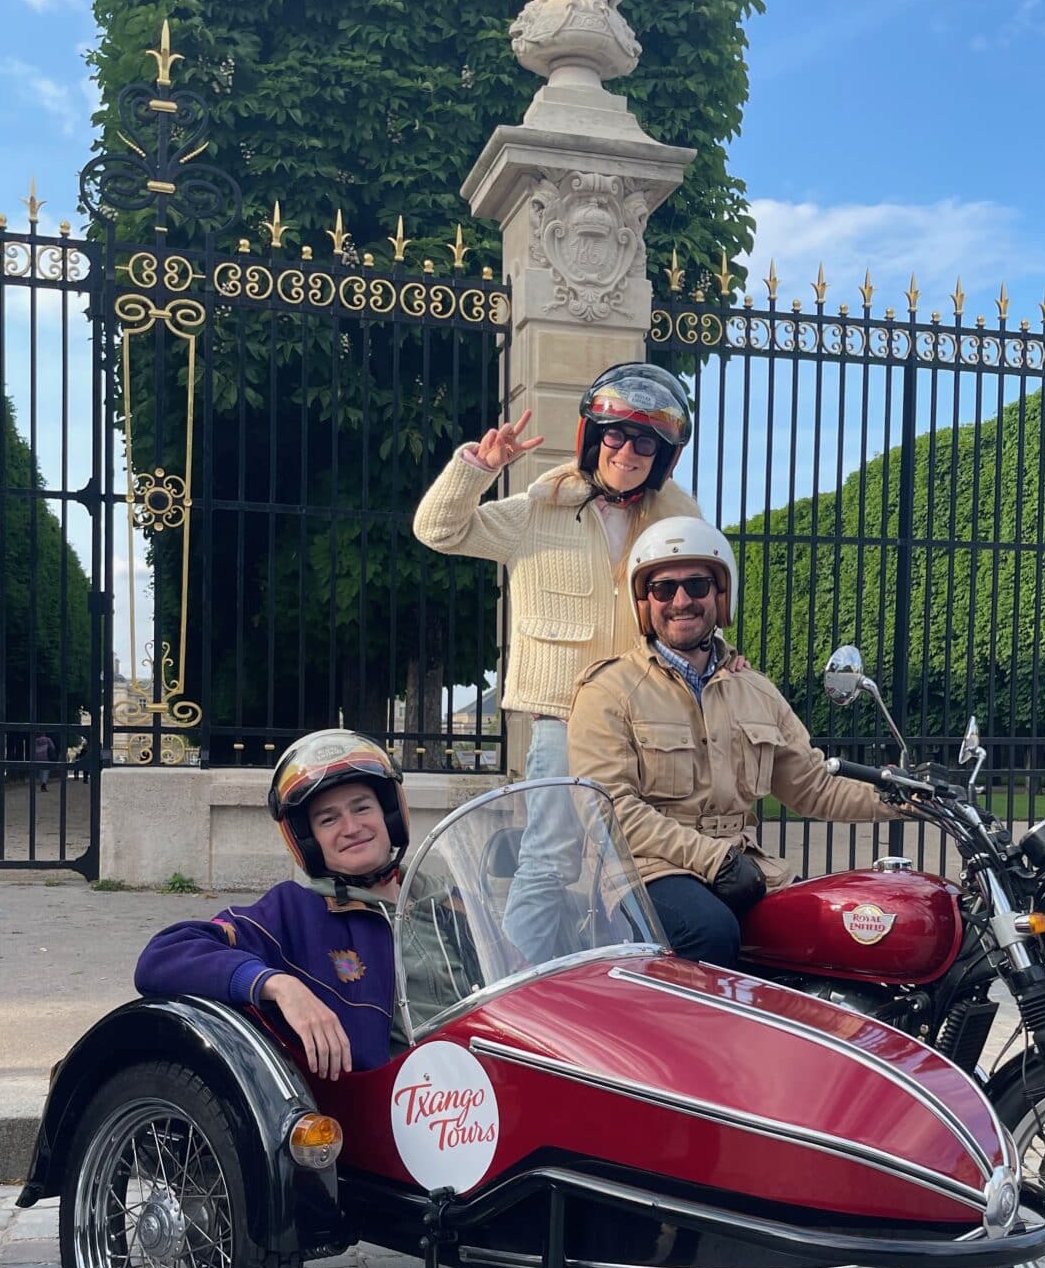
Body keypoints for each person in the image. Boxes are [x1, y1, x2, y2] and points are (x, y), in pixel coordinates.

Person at [413, 363, 708, 962]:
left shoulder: (675, 522)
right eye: (616, 437)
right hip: (563, 718)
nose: (627, 452)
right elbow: (437, 529)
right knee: (549, 857)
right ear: (594, 439)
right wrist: (479, 468)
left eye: (644, 442)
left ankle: (639, 977)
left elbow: (695, 600)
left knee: (636, 860)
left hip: (649, 716)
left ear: (664, 457)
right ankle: (517, 988)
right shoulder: (537, 510)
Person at [568, 519, 907, 967]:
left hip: (743, 867)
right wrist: (714, 859)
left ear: (720, 595)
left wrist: (906, 796)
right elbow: (608, 810)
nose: (682, 601)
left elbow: (812, 784)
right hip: (644, 872)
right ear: (643, 602)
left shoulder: (755, 690)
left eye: (697, 584)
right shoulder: (609, 690)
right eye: (664, 589)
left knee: (835, 926)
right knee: (708, 931)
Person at [134, 730, 406, 1079]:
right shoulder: (295, 912)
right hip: (394, 1107)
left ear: (390, 815)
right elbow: (163, 957)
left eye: (362, 807)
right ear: (309, 842)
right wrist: (278, 985)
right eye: (329, 819)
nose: (351, 827)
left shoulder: (448, 905)